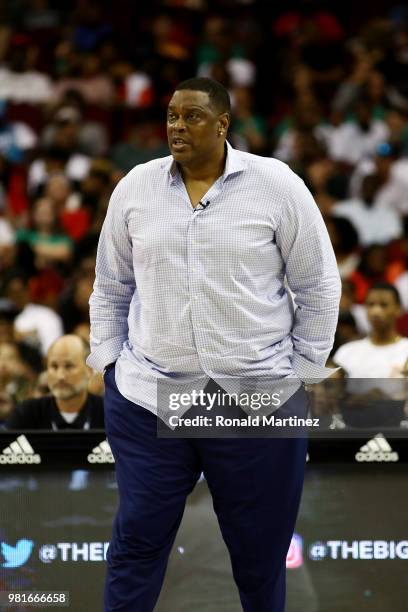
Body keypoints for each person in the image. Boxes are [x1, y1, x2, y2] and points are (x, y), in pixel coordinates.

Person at [88, 77, 340, 612]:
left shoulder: (276, 184)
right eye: (172, 116)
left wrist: (301, 370)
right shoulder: (135, 187)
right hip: (152, 393)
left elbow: (318, 284)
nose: (177, 126)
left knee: (260, 557)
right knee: (136, 543)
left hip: (256, 398)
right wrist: (108, 361)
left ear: (223, 124)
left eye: (193, 116)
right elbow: (111, 284)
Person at [5, 334, 104, 430]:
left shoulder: (108, 412)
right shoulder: (26, 414)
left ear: (89, 370)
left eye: (69, 366)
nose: (60, 376)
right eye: (54, 366)